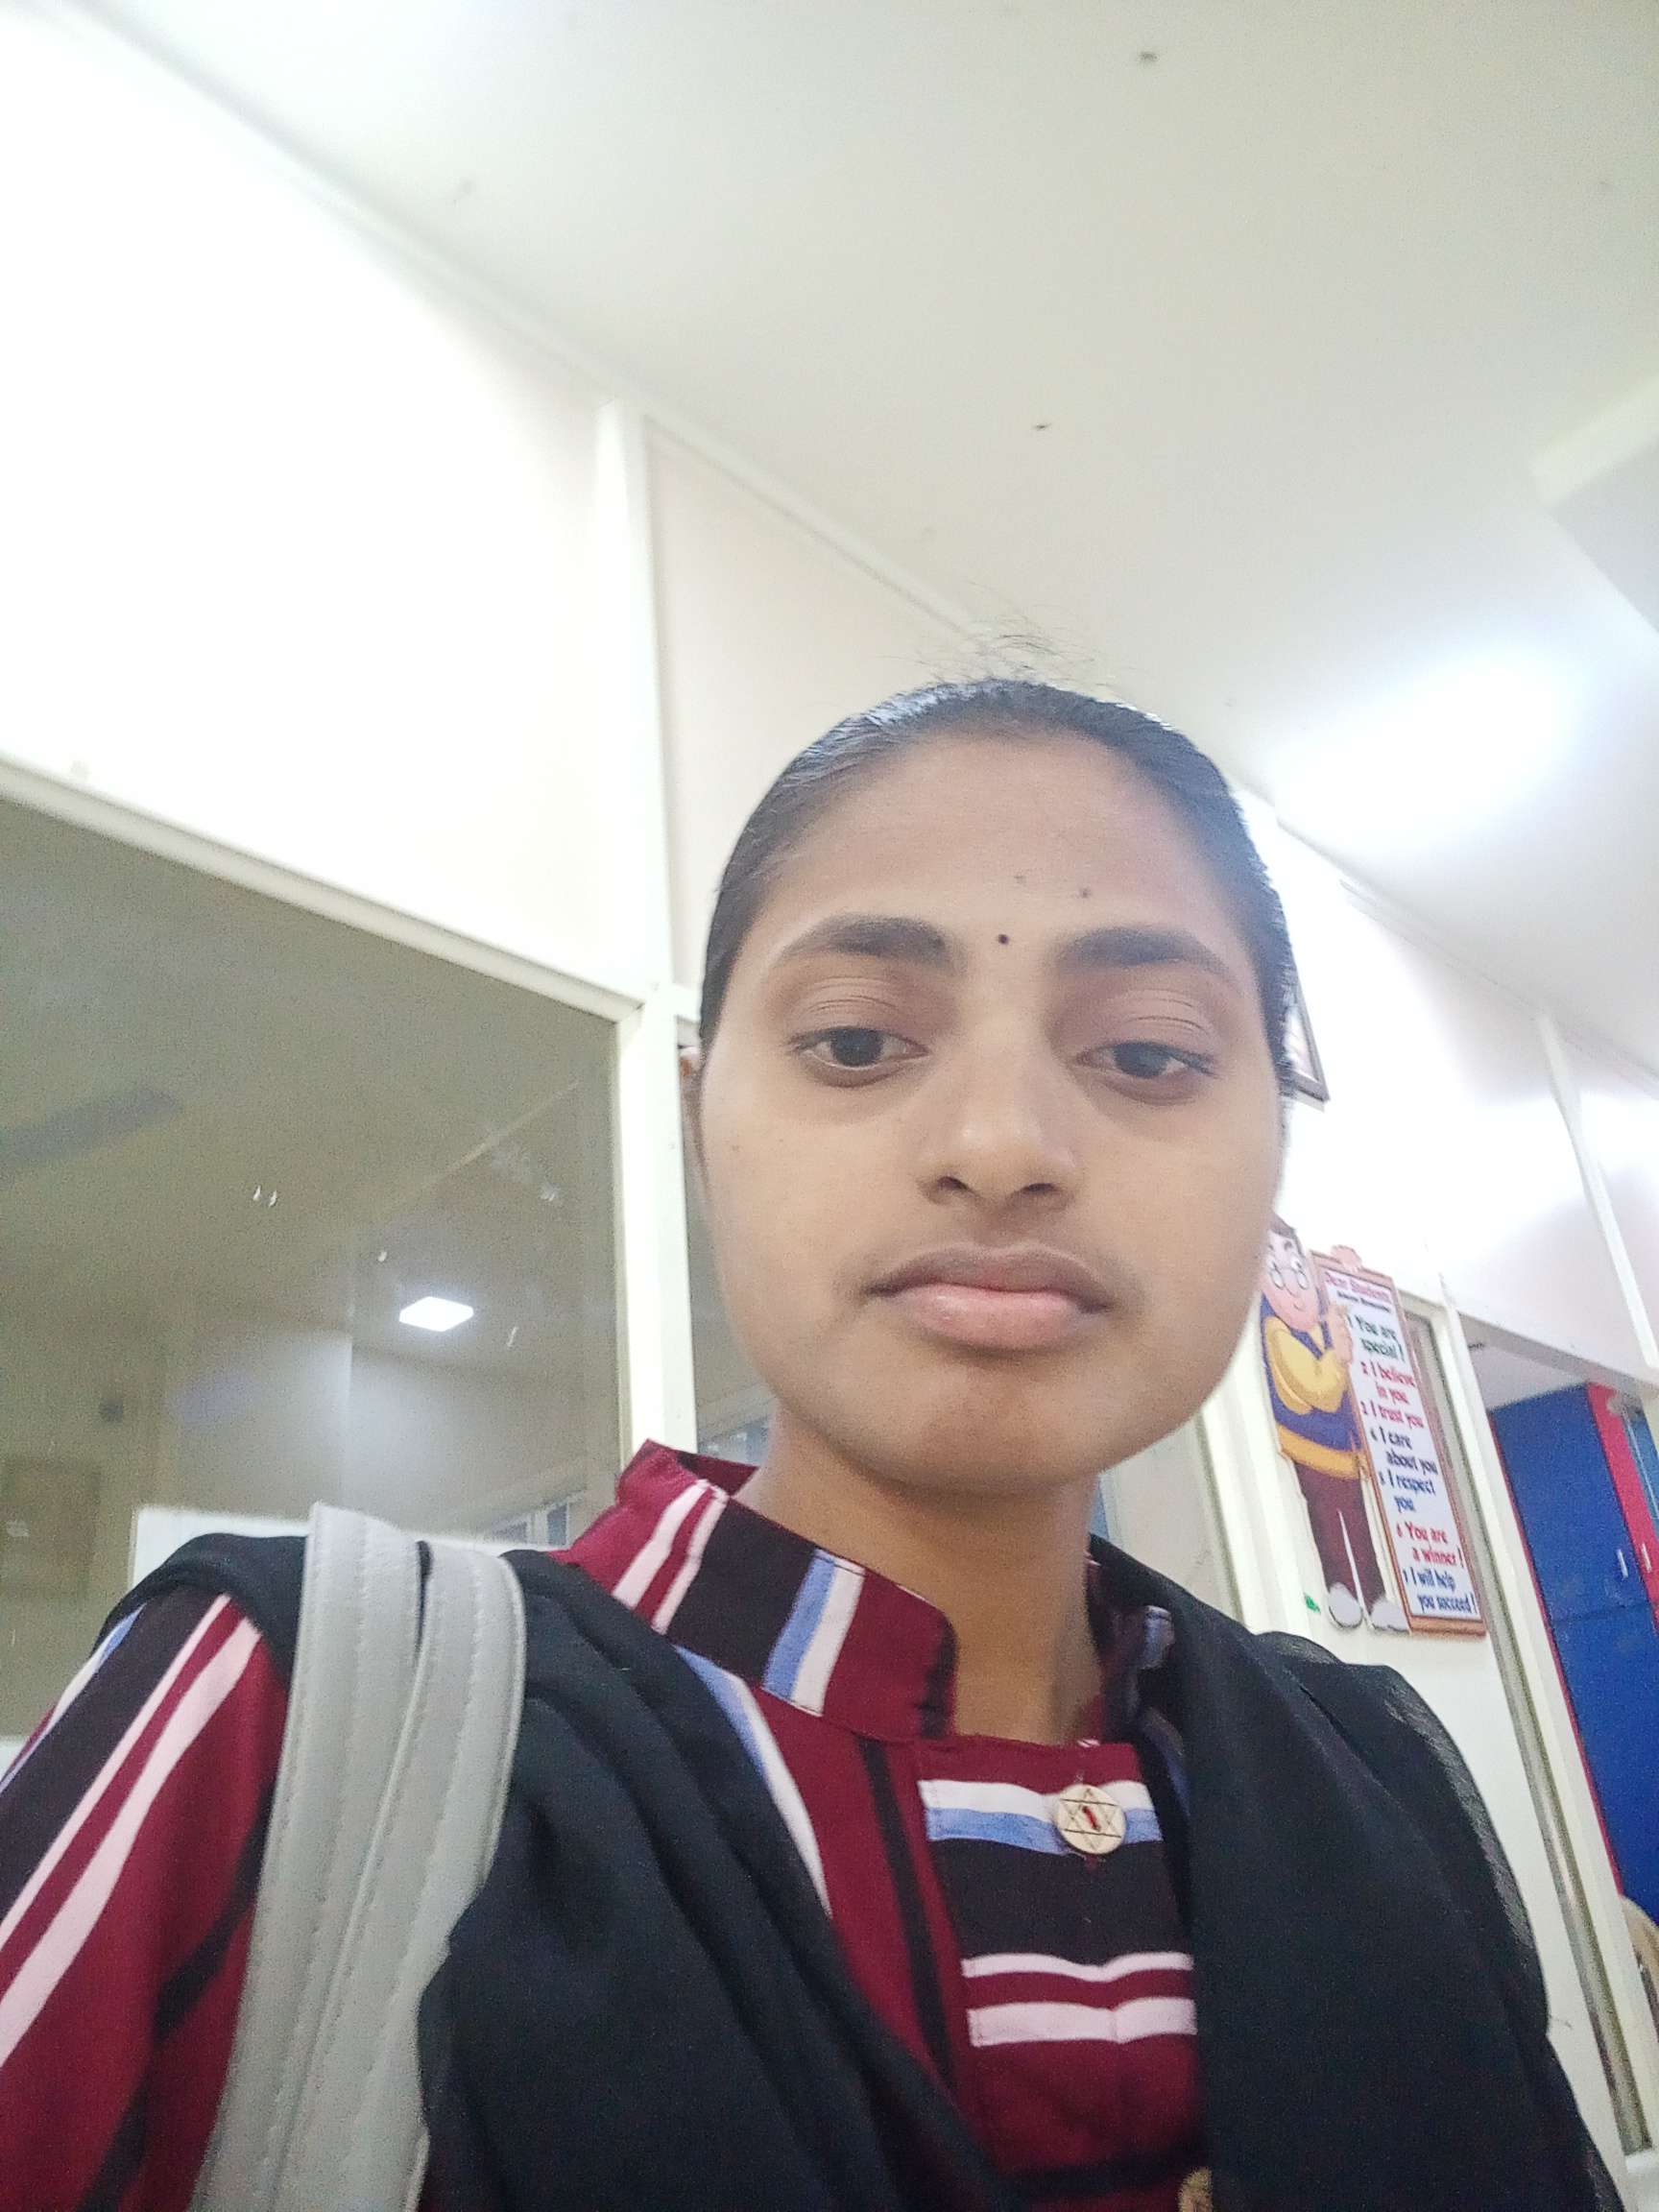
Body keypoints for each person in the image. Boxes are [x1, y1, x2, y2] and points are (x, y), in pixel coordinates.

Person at [0, 681, 1617, 2211]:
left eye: (1145, 1052)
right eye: (855, 1040)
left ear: (1273, 1148)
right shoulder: (283, 1709)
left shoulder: (1372, 1770)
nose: (1001, 1148)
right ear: (703, 1127)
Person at [1258, 1215, 1407, 1631]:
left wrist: (1344, 1273)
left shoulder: (1320, 1317)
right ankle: (1340, 1587)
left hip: (1344, 1447)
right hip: (1311, 1446)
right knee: (1327, 1518)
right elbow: (1319, 1389)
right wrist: (1338, 1357)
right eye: (1276, 1274)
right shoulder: (1277, 1332)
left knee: (1358, 1519)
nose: (1293, 1285)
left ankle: (1375, 1595)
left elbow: (1337, 1296)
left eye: (1297, 1269)